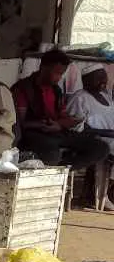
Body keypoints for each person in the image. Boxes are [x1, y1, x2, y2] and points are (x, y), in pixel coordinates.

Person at [12, 49, 109, 169]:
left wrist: (67, 122)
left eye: (62, 74)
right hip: (34, 135)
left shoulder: (56, 90)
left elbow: (62, 115)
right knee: (52, 153)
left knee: (101, 147)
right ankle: (55, 170)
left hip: (57, 132)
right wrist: (43, 125)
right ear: (43, 67)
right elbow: (20, 123)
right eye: (56, 72)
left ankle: (63, 169)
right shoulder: (23, 89)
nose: (59, 77)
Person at [67, 68, 114, 210]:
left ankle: (109, 190)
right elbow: (76, 127)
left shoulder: (106, 96)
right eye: (98, 77)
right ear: (86, 80)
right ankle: (107, 194)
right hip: (95, 139)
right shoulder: (80, 97)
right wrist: (106, 133)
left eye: (104, 77)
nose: (103, 81)